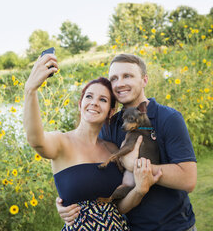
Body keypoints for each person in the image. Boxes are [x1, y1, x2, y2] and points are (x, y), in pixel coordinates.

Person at [56, 53, 197, 231]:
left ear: (144, 80)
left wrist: (135, 166)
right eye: (114, 78)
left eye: (127, 76)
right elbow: (93, 174)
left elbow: (188, 179)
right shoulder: (109, 125)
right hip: (125, 227)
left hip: (172, 227)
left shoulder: (168, 118)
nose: (119, 83)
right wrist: (66, 203)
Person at [23, 53, 162, 230]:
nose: (94, 103)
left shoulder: (112, 149)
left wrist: (139, 191)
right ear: (80, 103)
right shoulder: (60, 142)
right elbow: (35, 139)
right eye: (89, 97)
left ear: (111, 112)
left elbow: (119, 207)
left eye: (103, 100)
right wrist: (30, 90)